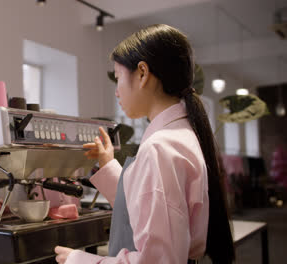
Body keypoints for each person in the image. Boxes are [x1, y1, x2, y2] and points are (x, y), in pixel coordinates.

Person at [55, 24, 235, 264]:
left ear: (142, 73)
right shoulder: (180, 135)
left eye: (118, 78)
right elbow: (146, 206)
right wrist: (107, 163)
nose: (117, 92)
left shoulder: (159, 148)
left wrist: (78, 260)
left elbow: (158, 260)